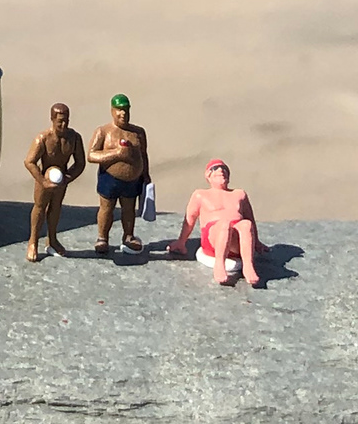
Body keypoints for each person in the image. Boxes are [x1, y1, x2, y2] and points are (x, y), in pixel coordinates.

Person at [168, 160, 267, 288]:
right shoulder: (201, 195)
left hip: (236, 242)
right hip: (213, 239)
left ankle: (248, 266)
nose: (220, 171)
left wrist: (257, 242)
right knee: (224, 224)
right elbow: (189, 220)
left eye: (223, 169)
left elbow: (250, 219)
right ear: (208, 176)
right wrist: (181, 242)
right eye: (215, 168)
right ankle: (219, 265)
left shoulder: (239, 194)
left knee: (246, 224)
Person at [23, 102, 87, 261]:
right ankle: (33, 241)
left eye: (66, 120)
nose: (63, 124)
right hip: (44, 178)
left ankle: (52, 239)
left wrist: (68, 178)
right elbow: (29, 162)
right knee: (39, 208)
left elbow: (80, 163)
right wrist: (42, 181)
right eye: (60, 121)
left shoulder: (74, 138)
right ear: (52, 119)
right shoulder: (43, 139)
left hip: (61, 179)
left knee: (56, 207)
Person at [88, 93, 149, 252]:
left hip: (133, 179)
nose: (123, 113)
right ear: (112, 110)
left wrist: (146, 174)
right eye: (119, 110)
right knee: (107, 208)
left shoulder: (138, 132)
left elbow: (143, 154)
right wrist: (116, 154)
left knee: (129, 209)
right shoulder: (103, 131)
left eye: (126, 109)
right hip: (110, 177)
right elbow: (92, 155)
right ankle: (102, 238)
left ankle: (128, 236)